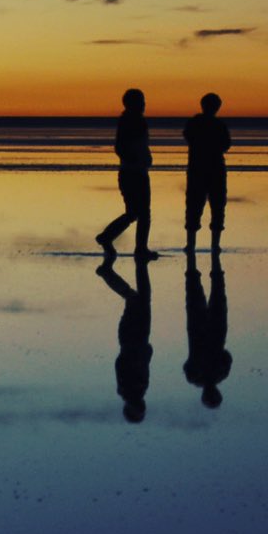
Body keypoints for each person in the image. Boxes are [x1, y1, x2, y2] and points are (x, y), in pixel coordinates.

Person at [95, 88, 156, 259]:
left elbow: (133, 146)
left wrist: (145, 158)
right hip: (134, 173)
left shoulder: (130, 121)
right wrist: (137, 159)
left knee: (135, 213)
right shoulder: (132, 121)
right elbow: (121, 147)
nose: (144, 104)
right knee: (141, 213)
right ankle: (139, 248)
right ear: (133, 104)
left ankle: (108, 237)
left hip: (133, 171)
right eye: (141, 101)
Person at [98, 255, 153, 423]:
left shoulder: (129, 389)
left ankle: (108, 273)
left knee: (136, 298)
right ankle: (138, 264)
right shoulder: (137, 389)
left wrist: (139, 352)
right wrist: (145, 353)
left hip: (133, 338)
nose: (142, 408)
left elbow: (121, 363)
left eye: (138, 411)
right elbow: (139, 365)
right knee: (140, 298)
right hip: (137, 338)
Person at [182, 92, 230, 254]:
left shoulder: (194, 123)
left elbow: (188, 137)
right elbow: (226, 145)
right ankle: (214, 244)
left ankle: (191, 244)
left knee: (195, 206)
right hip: (213, 169)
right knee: (216, 206)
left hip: (198, 169)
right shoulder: (218, 125)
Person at [183, 251, 231, 409]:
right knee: (196, 289)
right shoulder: (195, 377)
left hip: (213, 330)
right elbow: (227, 356)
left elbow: (227, 356)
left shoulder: (220, 374)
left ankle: (210, 252)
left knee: (214, 289)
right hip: (201, 330)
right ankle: (197, 252)